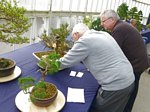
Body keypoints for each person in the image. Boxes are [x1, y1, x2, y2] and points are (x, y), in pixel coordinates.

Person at [59, 23, 135, 112]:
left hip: (116, 85)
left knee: (102, 108)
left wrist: (47, 65)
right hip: (128, 78)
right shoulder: (103, 34)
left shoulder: (85, 41)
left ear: (76, 34)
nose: (73, 41)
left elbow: (65, 62)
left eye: (73, 38)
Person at [100, 10, 149, 112]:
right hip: (140, 62)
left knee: (131, 88)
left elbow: (112, 51)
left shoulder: (119, 29)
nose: (101, 24)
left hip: (136, 64)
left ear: (112, 19)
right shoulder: (121, 26)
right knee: (134, 87)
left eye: (103, 21)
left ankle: (126, 109)